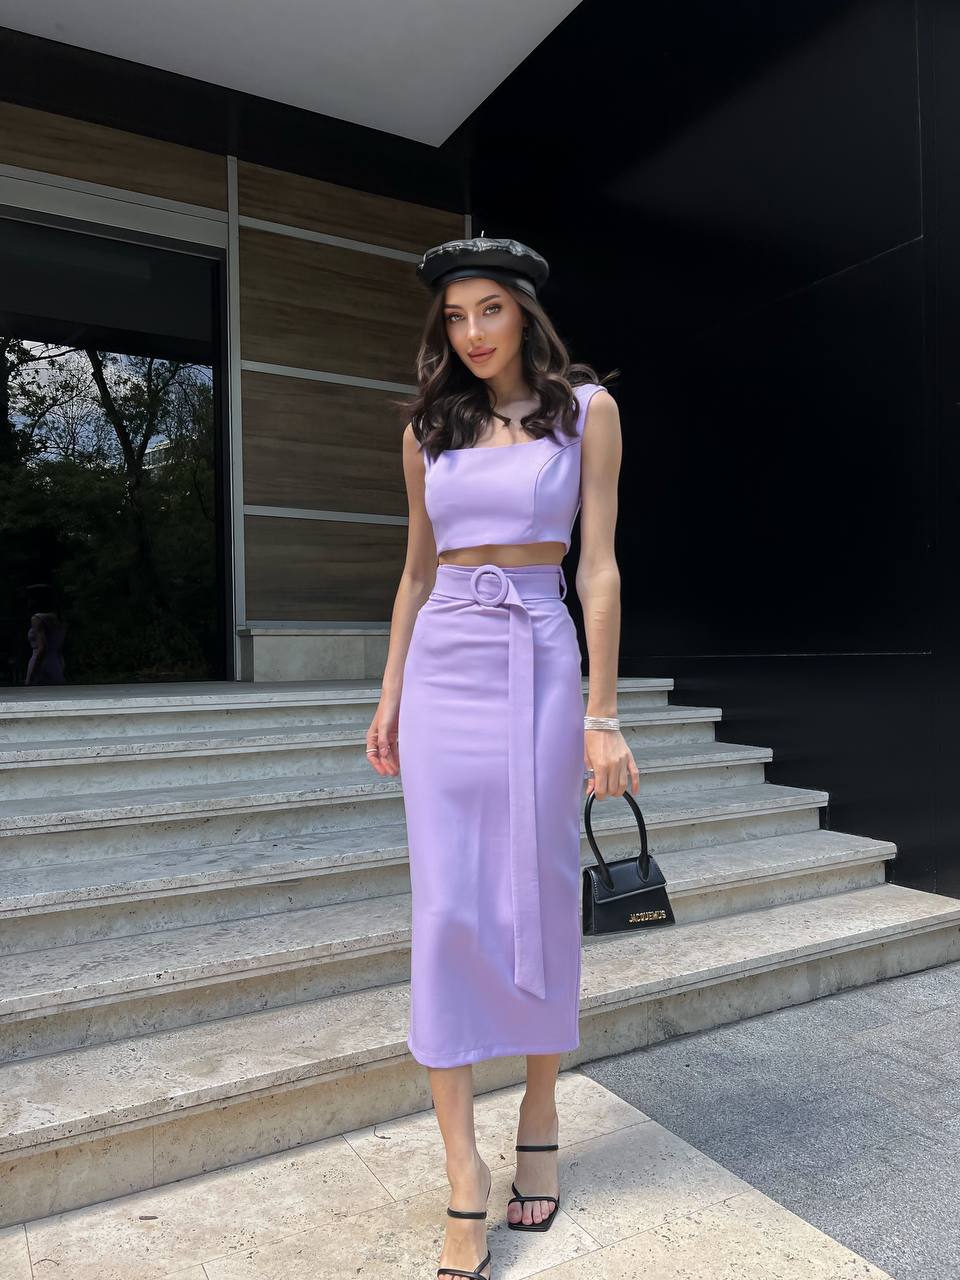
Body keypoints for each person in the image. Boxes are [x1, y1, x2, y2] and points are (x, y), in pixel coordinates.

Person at [366, 236, 639, 1279]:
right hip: (445, 667)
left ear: (524, 311)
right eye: (455, 316)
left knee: (531, 886)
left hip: (538, 655)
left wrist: (603, 713)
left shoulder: (586, 411)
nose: (472, 333)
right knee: (445, 908)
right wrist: (389, 692)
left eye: (490, 310)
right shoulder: (425, 427)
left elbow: (602, 566)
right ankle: (462, 1171)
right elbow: (413, 573)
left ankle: (538, 1107)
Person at [25, 582, 66, 685]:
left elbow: (42, 649)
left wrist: (31, 676)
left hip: (41, 664)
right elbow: (60, 648)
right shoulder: (58, 618)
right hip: (55, 663)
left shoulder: (37, 618)